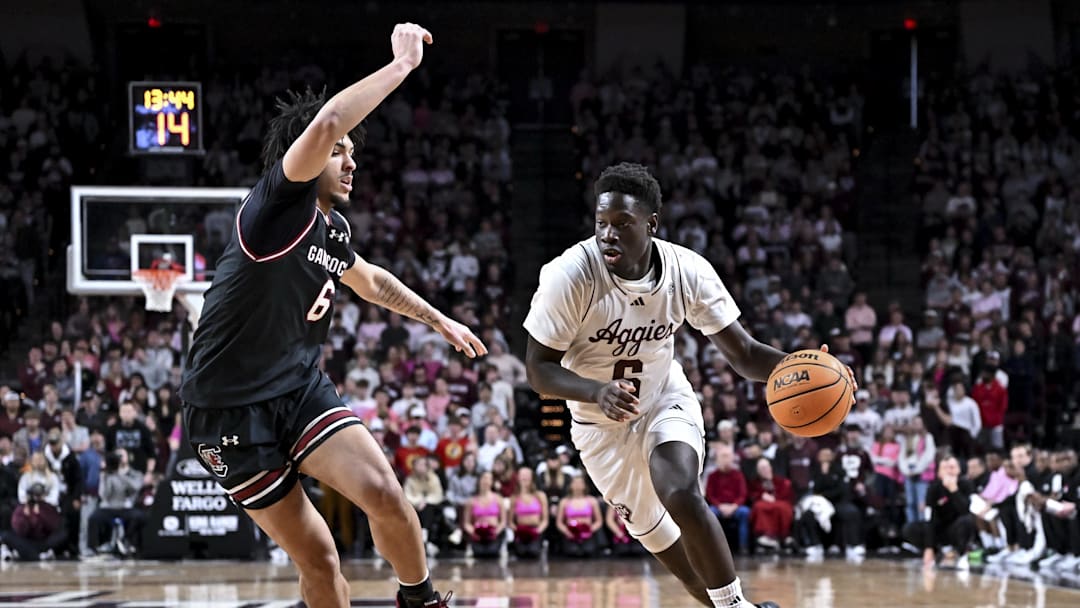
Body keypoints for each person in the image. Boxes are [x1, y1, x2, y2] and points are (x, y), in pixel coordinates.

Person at [178, 23, 485, 608]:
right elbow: (325, 123)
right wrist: (400, 68)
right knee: (319, 558)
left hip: (297, 388)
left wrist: (440, 320)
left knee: (386, 494)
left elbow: (370, 281)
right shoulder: (273, 208)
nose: (350, 162)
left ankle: (419, 601)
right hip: (226, 408)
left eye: (353, 154)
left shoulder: (333, 229)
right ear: (310, 155)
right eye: (341, 152)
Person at [525, 164, 846, 606]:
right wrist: (594, 391)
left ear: (651, 224)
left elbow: (745, 353)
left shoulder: (686, 270)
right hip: (600, 428)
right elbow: (538, 370)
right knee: (694, 579)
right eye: (601, 223)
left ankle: (738, 607)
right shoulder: (571, 275)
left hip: (662, 398)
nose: (608, 235)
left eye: (623, 224)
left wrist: (805, 368)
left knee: (679, 490)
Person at [902, 456, 976, 569]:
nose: (949, 471)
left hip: (957, 529)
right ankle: (936, 552)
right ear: (939, 473)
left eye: (952, 467)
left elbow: (965, 510)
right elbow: (929, 518)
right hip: (938, 529)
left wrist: (954, 491)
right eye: (945, 468)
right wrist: (929, 547)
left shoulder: (966, 484)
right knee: (910, 529)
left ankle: (960, 553)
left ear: (959, 470)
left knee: (967, 521)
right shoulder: (933, 488)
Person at [556, 474, 602, 558]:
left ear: (585, 485)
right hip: (570, 533)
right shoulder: (564, 501)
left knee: (588, 551)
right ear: (570, 485)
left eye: (580, 483)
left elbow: (599, 521)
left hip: (588, 533)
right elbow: (559, 522)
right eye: (575, 483)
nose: (577, 485)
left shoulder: (592, 500)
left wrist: (590, 529)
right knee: (572, 552)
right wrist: (567, 531)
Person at [462, 471, 506, 558]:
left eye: (489, 479)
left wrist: (496, 532)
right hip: (478, 533)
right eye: (484, 478)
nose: (486, 481)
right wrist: (473, 532)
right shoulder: (471, 501)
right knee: (479, 554)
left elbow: (503, 521)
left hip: (493, 532)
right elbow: (466, 523)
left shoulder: (498, 499)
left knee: (492, 552)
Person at [509, 466, 548, 558]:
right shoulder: (514, 497)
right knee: (521, 552)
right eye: (522, 475)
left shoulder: (540, 496)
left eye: (527, 475)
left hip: (536, 529)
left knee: (533, 551)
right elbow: (510, 521)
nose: (524, 478)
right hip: (520, 530)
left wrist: (538, 531)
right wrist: (517, 531)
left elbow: (545, 520)